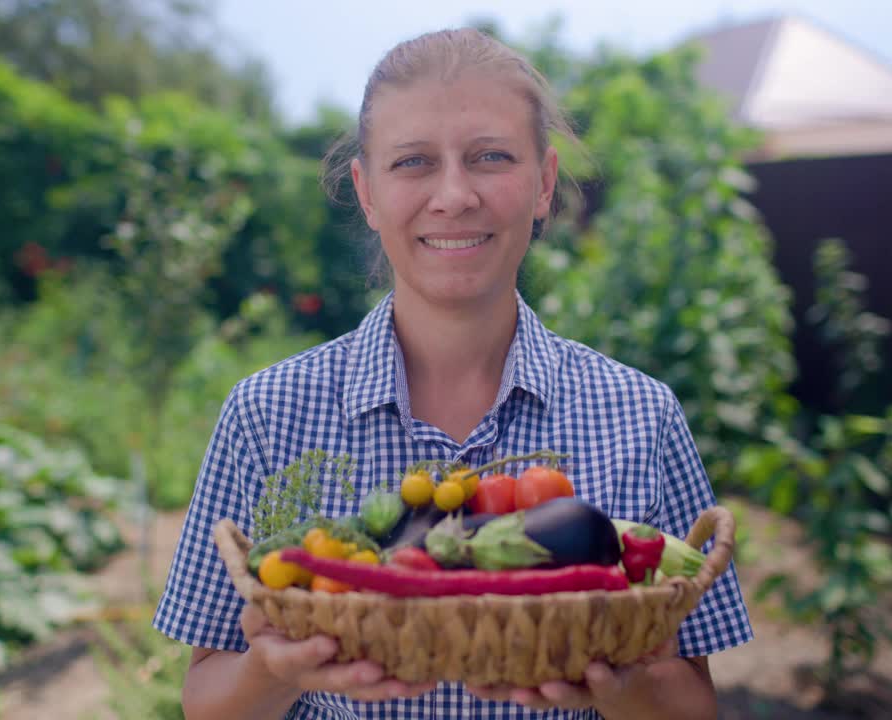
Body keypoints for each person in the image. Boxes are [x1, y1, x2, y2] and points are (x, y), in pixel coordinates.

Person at [153, 27, 752, 720]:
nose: (454, 194)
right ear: (368, 193)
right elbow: (206, 702)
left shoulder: (641, 416)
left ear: (544, 184)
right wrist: (274, 670)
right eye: (413, 162)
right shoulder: (265, 413)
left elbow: (691, 705)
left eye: (490, 156)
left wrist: (625, 688)